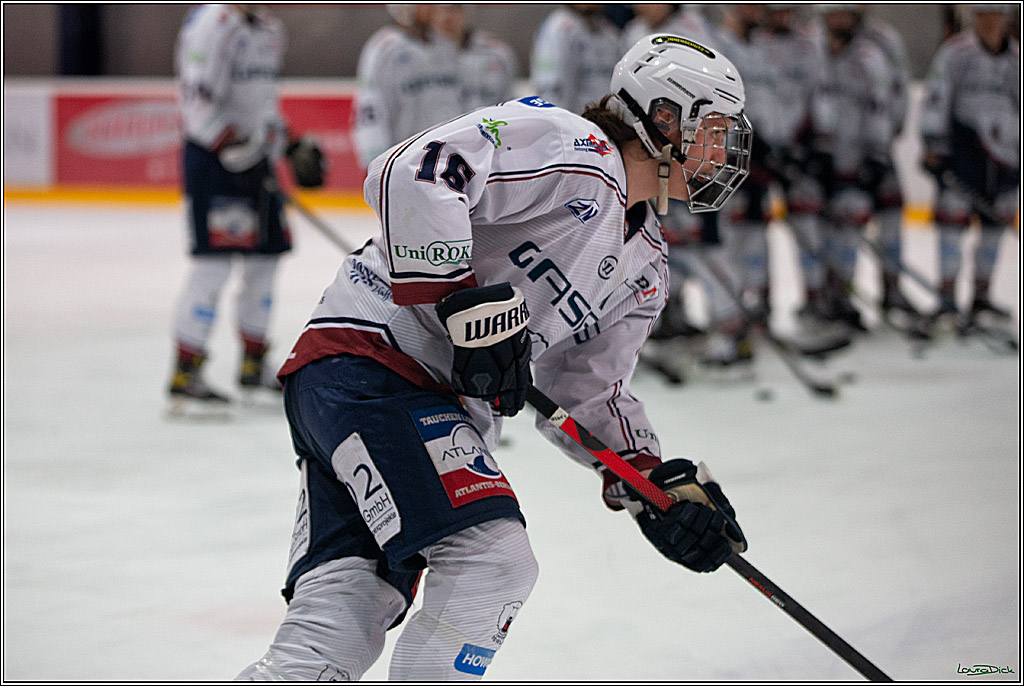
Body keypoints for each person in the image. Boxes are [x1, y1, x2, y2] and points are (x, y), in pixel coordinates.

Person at [236, 33, 751, 680]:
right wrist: (459, 301)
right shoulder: (570, 147)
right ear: (666, 117)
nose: (724, 151)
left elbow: (589, 392)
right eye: (715, 129)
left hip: (389, 396)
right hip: (371, 363)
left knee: (335, 629)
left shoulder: (646, 266)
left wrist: (652, 480)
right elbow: (414, 169)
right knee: (491, 562)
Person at [168, 3, 324, 416]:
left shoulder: (269, 29)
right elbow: (195, 95)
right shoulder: (212, 23)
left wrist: (287, 144)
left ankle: (253, 364)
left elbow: (261, 104)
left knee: (266, 260)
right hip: (216, 164)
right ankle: (185, 374)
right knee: (214, 265)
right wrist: (229, 146)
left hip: (258, 163)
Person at [920, 4, 1019, 332]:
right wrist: (935, 145)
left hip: (1006, 159)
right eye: (982, 14)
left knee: (994, 227)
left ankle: (981, 297)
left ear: (1006, 17)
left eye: (995, 14)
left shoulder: (1017, 59)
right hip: (963, 155)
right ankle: (947, 297)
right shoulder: (956, 53)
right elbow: (935, 96)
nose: (989, 21)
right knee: (952, 225)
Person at [807, 4, 894, 334]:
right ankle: (818, 299)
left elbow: (879, 109)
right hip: (817, 161)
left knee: (848, 231)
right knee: (817, 233)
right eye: (833, 14)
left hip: (855, 162)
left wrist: (877, 156)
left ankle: (843, 296)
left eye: (846, 14)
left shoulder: (870, 57)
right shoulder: (810, 52)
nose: (840, 21)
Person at [351, 4, 462, 169]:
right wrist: (375, 162)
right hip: (404, 164)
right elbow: (370, 110)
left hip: (444, 163)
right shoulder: (385, 48)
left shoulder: (445, 46)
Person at [529, 4, 622, 114]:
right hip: (572, 122)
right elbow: (550, 89)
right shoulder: (558, 28)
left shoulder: (609, 31)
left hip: (603, 122)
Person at [432, 4, 519, 113]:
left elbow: (509, 102)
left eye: (453, 9)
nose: (446, 17)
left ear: (465, 11)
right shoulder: (417, 57)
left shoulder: (496, 53)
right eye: (439, 10)